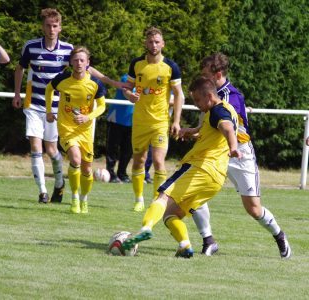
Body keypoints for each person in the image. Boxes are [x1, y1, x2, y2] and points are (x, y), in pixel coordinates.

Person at [12, 8, 125, 204]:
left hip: (58, 108)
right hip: (34, 104)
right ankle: (42, 192)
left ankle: (58, 184)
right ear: (43, 26)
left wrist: (113, 83)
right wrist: (16, 93)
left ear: (60, 28)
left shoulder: (67, 49)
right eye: (48, 25)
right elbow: (20, 68)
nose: (51, 29)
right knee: (35, 145)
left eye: (55, 26)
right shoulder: (30, 47)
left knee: (52, 150)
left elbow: (86, 68)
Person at [122, 77, 241, 257]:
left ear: (209, 96)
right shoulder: (225, 108)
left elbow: (227, 128)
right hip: (215, 179)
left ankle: (145, 228)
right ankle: (185, 246)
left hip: (201, 168)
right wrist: (191, 133)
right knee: (171, 215)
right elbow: (211, 132)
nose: (196, 105)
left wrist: (233, 147)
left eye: (198, 100)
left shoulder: (218, 111)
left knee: (162, 196)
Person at [188, 53, 291, 258]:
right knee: (192, 190)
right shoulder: (208, 94)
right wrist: (192, 132)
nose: (203, 78)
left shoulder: (232, 97)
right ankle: (208, 240)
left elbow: (226, 127)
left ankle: (279, 235)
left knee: (253, 209)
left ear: (217, 74)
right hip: (214, 152)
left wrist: (197, 132)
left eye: (206, 74)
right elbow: (208, 127)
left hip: (239, 153)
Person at [123, 26, 184, 212]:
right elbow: (127, 88)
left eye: (157, 41)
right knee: (139, 161)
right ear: (145, 43)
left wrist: (176, 121)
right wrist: (129, 95)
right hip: (140, 122)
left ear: (163, 44)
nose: (154, 45)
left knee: (158, 161)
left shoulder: (171, 67)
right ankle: (138, 198)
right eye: (150, 41)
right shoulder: (137, 64)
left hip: (160, 122)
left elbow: (179, 95)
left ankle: (156, 200)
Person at [45, 46, 107, 214]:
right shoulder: (62, 79)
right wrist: (49, 110)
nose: (79, 63)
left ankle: (84, 199)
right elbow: (49, 89)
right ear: (71, 62)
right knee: (76, 159)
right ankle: (74, 198)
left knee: (87, 169)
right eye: (76, 60)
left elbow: (102, 106)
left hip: (85, 131)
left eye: (82, 60)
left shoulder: (95, 83)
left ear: (87, 63)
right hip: (66, 128)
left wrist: (88, 117)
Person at [106, 74, 133, 183]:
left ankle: (122, 174)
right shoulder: (126, 78)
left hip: (133, 119)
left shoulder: (146, 81)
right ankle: (111, 173)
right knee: (113, 148)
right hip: (117, 118)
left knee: (128, 150)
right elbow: (126, 93)